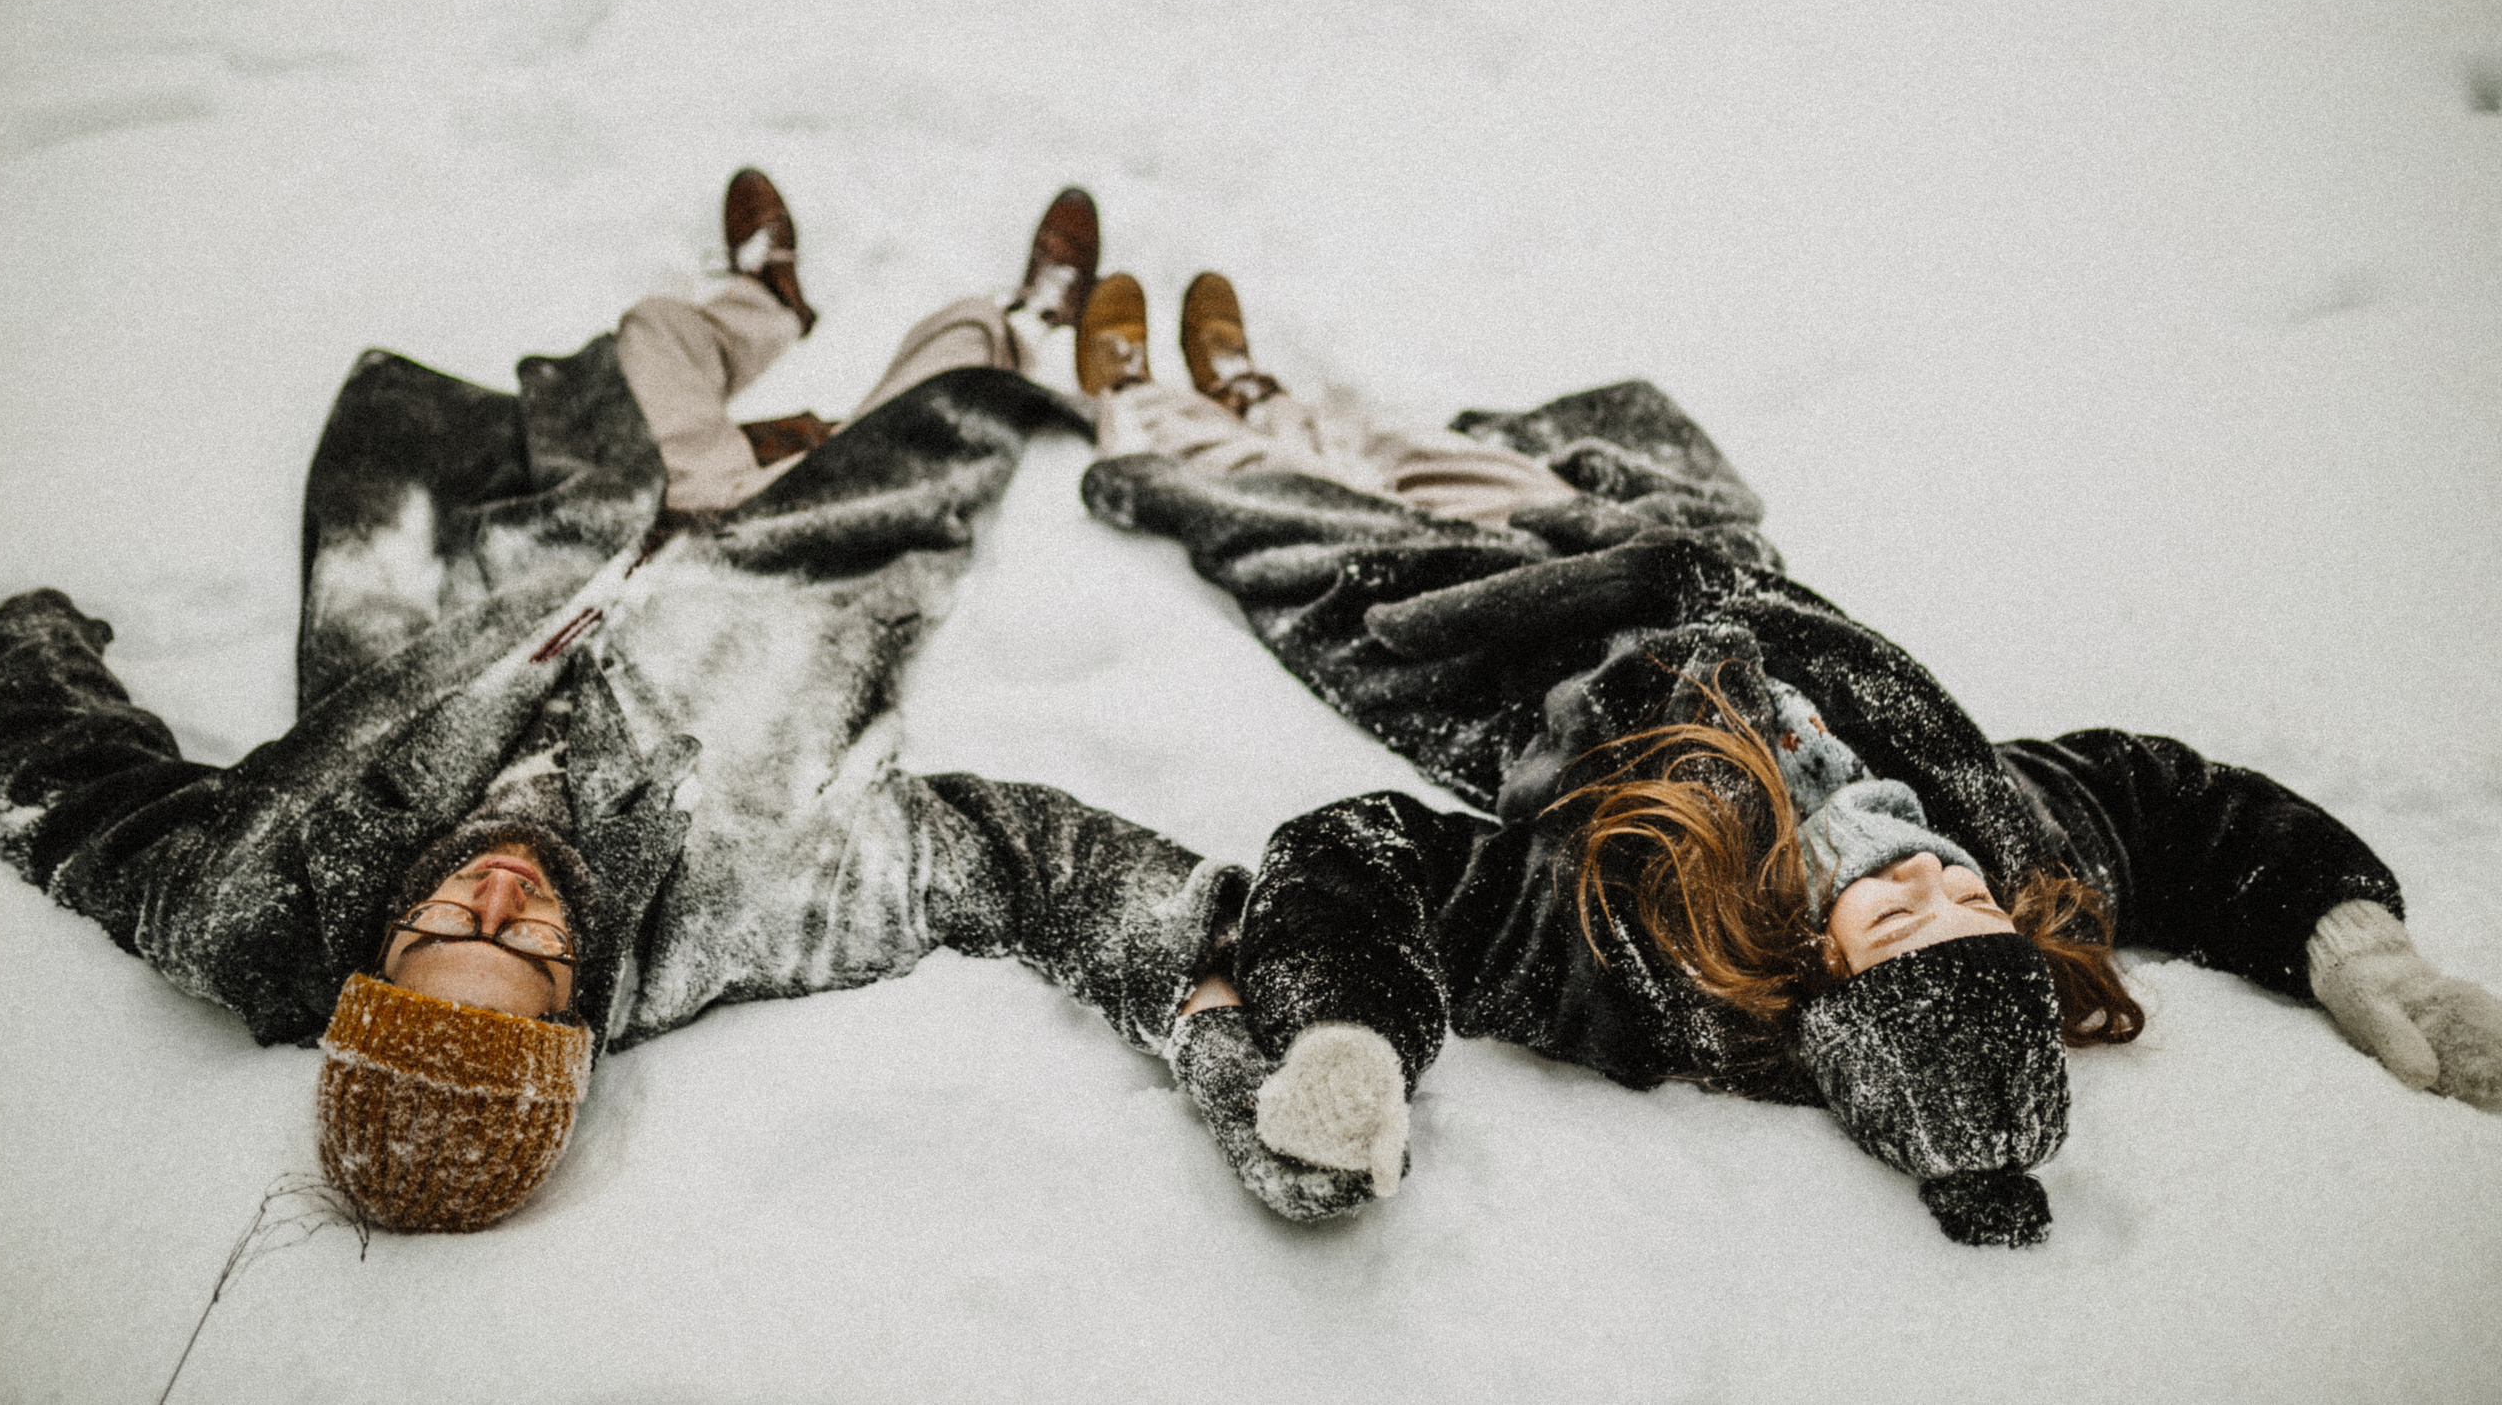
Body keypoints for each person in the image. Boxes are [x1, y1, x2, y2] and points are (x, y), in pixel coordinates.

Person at [1069, 270, 2502, 1245]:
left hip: (1479, 626)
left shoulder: (1647, 942)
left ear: (1826, 965)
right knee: (1456, 460)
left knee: (1278, 513)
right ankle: (1271, 390)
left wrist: (1353, 1035)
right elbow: (2186, 812)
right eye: (1968, 905)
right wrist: (2366, 953)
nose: (1930, 873)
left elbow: (1370, 861)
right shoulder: (2024, 843)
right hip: (1658, 558)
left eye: (1897, 914)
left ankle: (1175, 412)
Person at [0, 175, 1253, 1234]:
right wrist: (1199, 1009)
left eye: (449, 923)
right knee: (953, 388)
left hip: (575, 537)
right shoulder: (742, 911)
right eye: (526, 952)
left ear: (373, 960)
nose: (500, 897)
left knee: (645, 344)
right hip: (796, 558)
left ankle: (758, 298)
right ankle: (1025, 313)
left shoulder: (256, 910)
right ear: (577, 1012)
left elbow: (71, 794)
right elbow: (1015, 864)